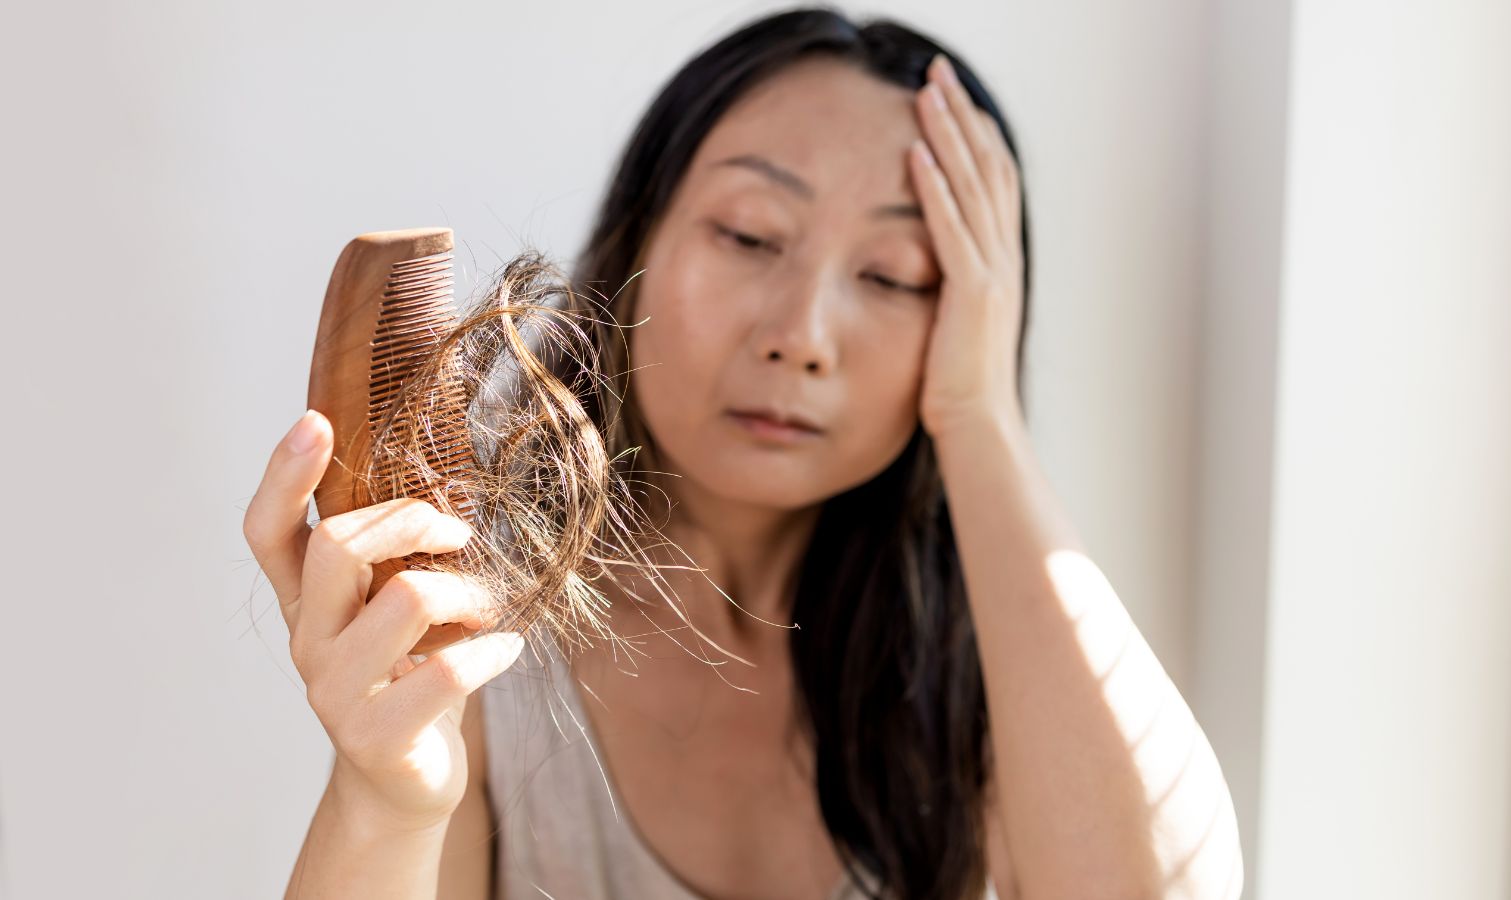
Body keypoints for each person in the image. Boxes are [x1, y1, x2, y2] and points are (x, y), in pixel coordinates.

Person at [244, 7, 1243, 900]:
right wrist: (386, 801)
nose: (802, 332)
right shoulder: (469, 630)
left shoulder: (999, 669)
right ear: (634, 244)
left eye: (896, 276)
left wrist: (978, 415)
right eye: (750, 235)